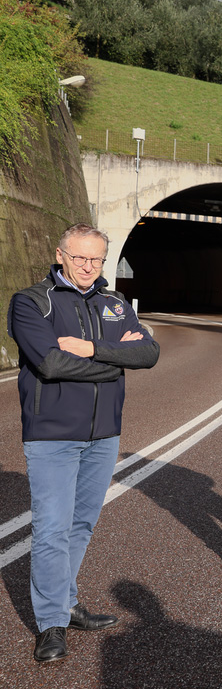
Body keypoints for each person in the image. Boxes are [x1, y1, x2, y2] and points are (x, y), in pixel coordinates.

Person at [8, 223, 160, 662]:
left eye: (96, 259)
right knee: (52, 529)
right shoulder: (31, 302)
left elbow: (149, 354)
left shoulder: (114, 303)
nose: (88, 267)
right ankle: (51, 623)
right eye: (79, 258)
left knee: (81, 526)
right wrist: (117, 357)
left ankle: (66, 603)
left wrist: (92, 349)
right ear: (60, 255)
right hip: (52, 434)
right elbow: (51, 363)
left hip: (104, 434)